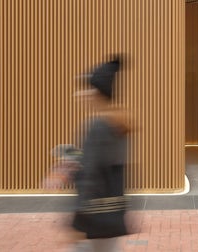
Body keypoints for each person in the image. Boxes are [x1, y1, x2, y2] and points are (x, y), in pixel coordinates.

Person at [71, 55, 130, 251]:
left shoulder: (96, 126)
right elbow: (103, 164)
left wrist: (77, 224)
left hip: (94, 217)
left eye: (88, 88)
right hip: (112, 214)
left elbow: (90, 175)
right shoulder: (119, 124)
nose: (81, 93)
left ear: (98, 93)